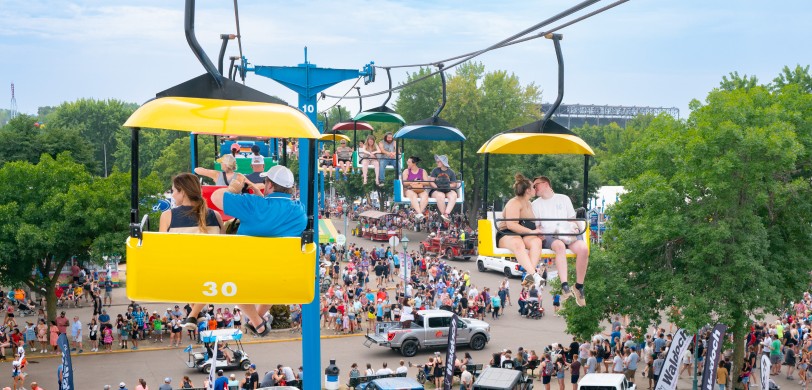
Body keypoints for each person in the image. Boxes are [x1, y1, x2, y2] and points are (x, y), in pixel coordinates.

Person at [210, 165, 306, 336]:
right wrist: (260, 195)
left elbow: (216, 197)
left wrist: (235, 188)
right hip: (278, 273)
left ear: (270, 185)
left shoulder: (253, 205)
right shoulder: (299, 211)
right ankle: (257, 320)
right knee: (272, 286)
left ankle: (256, 321)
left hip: (245, 270)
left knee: (230, 282)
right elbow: (273, 215)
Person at [532, 175, 589, 306]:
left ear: (546, 184)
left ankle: (579, 286)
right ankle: (565, 285)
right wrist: (539, 234)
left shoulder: (563, 199)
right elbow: (537, 226)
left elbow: (572, 219)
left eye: (536, 185)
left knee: (583, 249)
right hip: (550, 235)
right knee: (559, 246)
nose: (534, 188)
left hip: (566, 231)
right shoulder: (535, 205)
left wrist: (575, 228)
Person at [496, 174, 544, 289]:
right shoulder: (514, 203)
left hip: (523, 233)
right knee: (518, 243)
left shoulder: (529, 204)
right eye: (533, 187)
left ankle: (529, 278)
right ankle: (534, 275)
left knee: (536, 242)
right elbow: (511, 225)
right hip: (507, 233)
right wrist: (531, 232)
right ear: (528, 190)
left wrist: (537, 232)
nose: (535, 189)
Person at [195, 154, 262, 194]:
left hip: (220, 205)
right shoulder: (240, 176)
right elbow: (253, 186)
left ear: (225, 164)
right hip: (234, 206)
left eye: (221, 162)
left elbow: (197, 170)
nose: (220, 164)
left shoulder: (217, 174)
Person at [429, 154, 459, 221]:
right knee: (440, 195)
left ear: (443, 163)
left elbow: (454, 184)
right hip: (437, 190)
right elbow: (431, 182)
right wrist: (437, 187)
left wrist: (447, 186)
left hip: (447, 189)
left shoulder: (451, 172)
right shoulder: (435, 170)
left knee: (453, 195)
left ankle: (446, 213)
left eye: (438, 161)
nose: (437, 163)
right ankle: (444, 214)